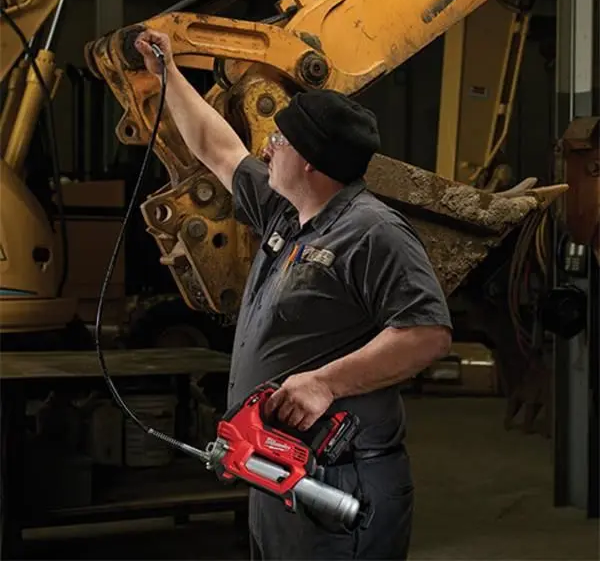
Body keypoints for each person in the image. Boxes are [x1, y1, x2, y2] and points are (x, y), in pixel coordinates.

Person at [135, 29, 453, 560]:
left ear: (309, 160)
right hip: (278, 469)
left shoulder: (373, 232)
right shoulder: (287, 213)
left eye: (278, 141)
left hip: (340, 478)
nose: (266, 149)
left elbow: (427, 334)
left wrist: (325, 383)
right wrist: (167, 72)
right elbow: (218, 149)